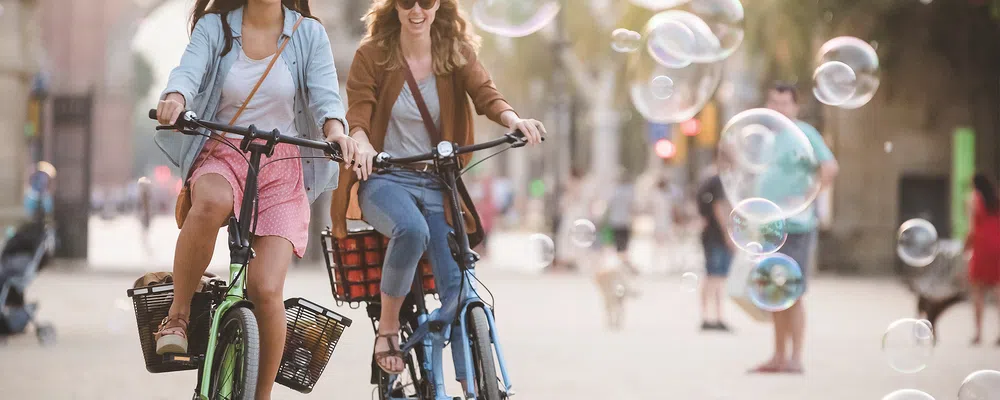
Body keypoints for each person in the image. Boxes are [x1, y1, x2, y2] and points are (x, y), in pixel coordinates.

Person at [329, 0, 545, 388]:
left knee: (459, 288)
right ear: (393, 7)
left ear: (438, 6)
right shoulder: (372, 54)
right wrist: (360, 144)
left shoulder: (455, 51)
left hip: (438, 184)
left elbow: (486, 95)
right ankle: (389, 329)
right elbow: (358, 116)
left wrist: (515, 120)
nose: (417, 11)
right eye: (407, 2)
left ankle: (472, 385)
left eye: (426, 2)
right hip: (385, 180)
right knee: (411, 231)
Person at [151, 1, 359, 398]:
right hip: (223, 152)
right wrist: (176, 98)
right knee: (210, 202)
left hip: (281, 168)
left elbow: (325, 97)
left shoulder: (308, 34)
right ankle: (177, 316)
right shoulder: (215, 28)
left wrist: (335, 130)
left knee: (265, 289)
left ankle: (260, 395)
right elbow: (188, 71)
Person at [749, 83, 839, 374]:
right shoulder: (765, 138)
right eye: (773, 102)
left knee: (794, 292)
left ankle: (795, 358)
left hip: (797, 225)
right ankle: (777, 355)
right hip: (770, 225)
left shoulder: (805, 133)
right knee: (774, 292)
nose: (778, 108)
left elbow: (829, 168)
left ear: (795, 107)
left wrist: (807, 196)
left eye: (785, 103)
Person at [696, 166, 734, 331]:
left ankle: (716, 316)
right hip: (716, 236)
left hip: (711, 235)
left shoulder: (711, 180)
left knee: (717, 277)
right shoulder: (719, 181)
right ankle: (709, 317)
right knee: (714, 277)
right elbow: (719, 208)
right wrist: (728, 234)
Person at [965, 173, 1000, 346]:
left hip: (981, 247)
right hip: (998, 246)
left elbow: (971, 229)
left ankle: (978, 334)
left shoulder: (974, 199)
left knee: (978, 292)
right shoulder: (996, 199)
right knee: (998, 290)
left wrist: (965, 246)